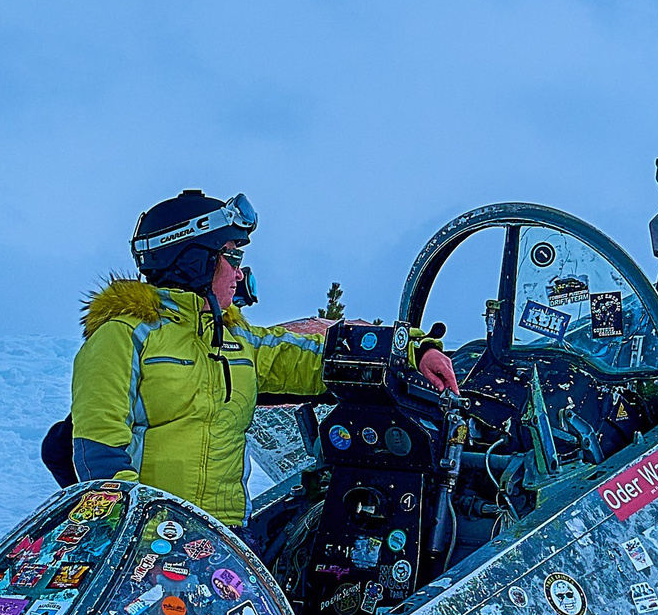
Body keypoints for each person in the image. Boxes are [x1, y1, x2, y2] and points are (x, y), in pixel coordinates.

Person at [68, 190, 458, 537]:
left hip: (225, 537)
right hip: (152, 539)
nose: (240, 273)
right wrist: (138, 533)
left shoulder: (236, 339)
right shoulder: (124, 336)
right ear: (193, 262)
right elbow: (99, 452)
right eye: (231, 256)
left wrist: (415, 352)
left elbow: (314, 357)